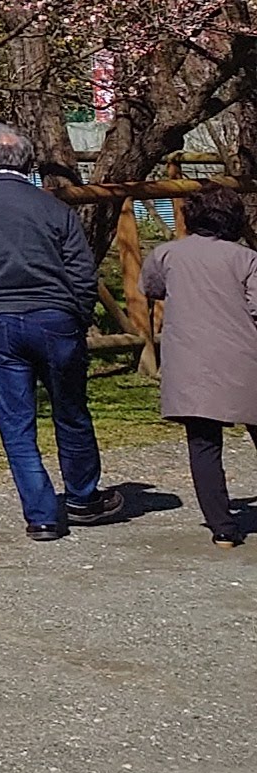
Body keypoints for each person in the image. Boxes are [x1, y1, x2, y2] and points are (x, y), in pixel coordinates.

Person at [0, 127, 120, 539]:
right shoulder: (54, 208)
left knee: (16, 422)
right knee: (70, 411)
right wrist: (78, 314)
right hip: (55, 316)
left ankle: (41, 514)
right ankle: (82, 496)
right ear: (30, 163)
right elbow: (81, 271)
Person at [141, 187, 257, 551]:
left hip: (190, 361)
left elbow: (152, 287)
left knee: (203, 444)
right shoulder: (247, 259)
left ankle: (222, 528)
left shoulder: (166, 254)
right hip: (244, 357)